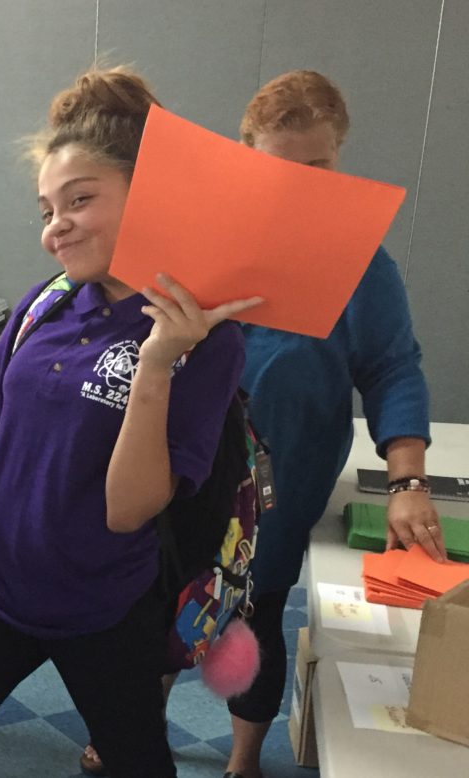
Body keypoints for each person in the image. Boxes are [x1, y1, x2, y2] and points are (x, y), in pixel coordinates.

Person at [0, 66, 261, 778]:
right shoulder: (45, 304)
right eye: (47, 209)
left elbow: (127, 510)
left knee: (141, 765)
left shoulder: (204, 339)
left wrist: (153, 364)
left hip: (106, 609)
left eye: (80, 200)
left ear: (147, 196)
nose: (56, 228)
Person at [217, 70, 441, 778]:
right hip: (194, 462)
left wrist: (408, 479)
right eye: (282, 168)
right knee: (164, 603)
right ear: (247, 155)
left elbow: (392, 368)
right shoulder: (207, 237)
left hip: (289, 473)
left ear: (339, 157)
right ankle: (132, 732)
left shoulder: (361, 263)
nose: (303, 185)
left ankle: (243, 760)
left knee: (257, 611)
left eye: (319, 167)